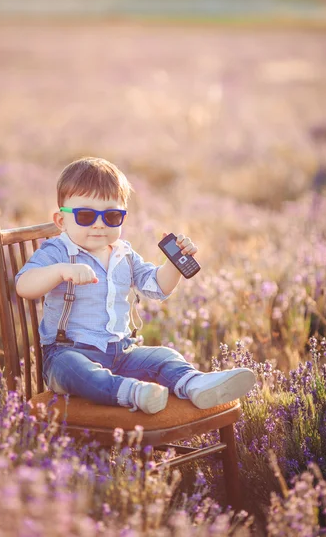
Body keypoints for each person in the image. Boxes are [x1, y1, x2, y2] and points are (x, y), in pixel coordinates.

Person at [16, 157, 255, 414]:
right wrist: (60, 271)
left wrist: (173, 264)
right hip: (67, 354)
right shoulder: (58, 251)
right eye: (85, 216)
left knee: (164, 356)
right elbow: (24, 285)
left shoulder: (123, 254)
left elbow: (156, 287)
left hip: (122, 354)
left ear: (122, 218)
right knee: (77, 371)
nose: (99, 224)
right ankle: (130, 392)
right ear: (61, 221)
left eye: (111, 216)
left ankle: (195, 384)